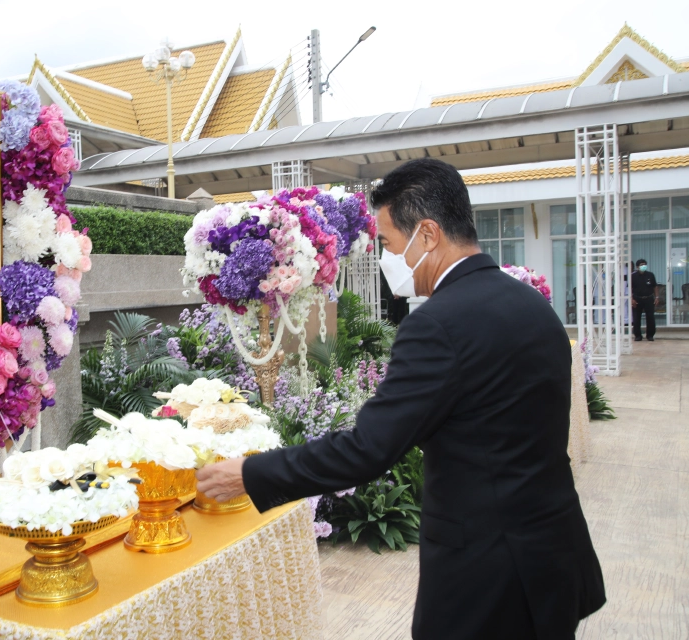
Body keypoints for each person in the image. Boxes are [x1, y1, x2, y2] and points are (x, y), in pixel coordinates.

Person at [197, 158, 605, 639]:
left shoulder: (437, 324)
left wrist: (250, 473)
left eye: (389, 243)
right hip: (554, 555)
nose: (389, 258)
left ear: (427, 234)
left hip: (488, 576)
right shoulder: (535, 308)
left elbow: (368, 449)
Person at [631, 258, 659, 342]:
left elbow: (655, 286)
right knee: (636, 318)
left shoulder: (650, 275)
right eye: (641, 265)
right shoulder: (633, 276)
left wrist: (657, 297)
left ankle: (650, 335)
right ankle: (638, 335)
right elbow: (630, 288)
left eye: (644, 265)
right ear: (637, 266)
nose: (643, 266)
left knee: (650, 318)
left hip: (649, 299)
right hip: (637, 299)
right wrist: (632, 299)